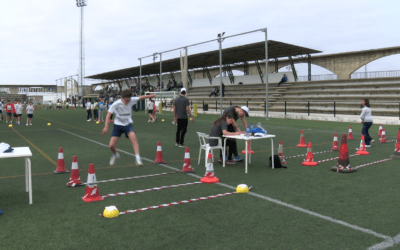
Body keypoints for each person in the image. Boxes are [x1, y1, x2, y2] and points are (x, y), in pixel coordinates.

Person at [102, 89, 156, 166]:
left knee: (134, 139)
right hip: (118, 125)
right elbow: (108, 114)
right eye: (125, 100)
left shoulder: (131, 100)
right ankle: (115, 155)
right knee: (111, 146)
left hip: (128, 124)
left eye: (128, 100)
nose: (127, 102)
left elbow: (141, 97)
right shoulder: (116, 103)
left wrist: (151, 96)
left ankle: (138, 160)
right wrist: (106, 127)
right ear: (122, 98)